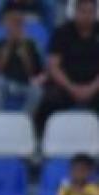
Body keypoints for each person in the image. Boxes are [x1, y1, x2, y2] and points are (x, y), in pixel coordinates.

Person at [36, 0, 99, 128]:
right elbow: (53, 66)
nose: (86, 16)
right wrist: (72, 88)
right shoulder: (62, 32)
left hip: (95, 86)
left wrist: (92, 88)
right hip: (67, 86)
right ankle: (42, 136)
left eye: (90, 12)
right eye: (83, 11)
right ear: (75, 12)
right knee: (47, 99)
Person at [0, 3, 45, 115]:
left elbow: (34, 74)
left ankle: (24, 120)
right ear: (6, 24)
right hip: (5, 84)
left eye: (20, 23)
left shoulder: (31, 45)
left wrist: (24, 52)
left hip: (24, 84)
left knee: (37, 90)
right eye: (13, 22)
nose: (17, 26)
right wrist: (8, 46)